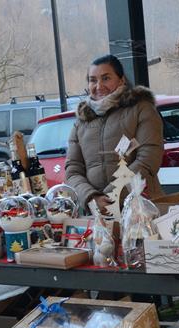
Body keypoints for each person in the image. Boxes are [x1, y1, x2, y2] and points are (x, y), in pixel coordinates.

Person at [65, 54, 163, 211]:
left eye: (106, 78)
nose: (99, 86)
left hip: (141, 208)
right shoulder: (81, 122)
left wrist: (112, 195)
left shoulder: (141, 109)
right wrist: (92, 197)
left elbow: (148, 160)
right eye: (93, 80)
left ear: (121, 80)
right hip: (97, 212)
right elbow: (73, 170)